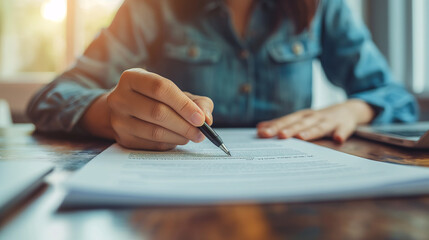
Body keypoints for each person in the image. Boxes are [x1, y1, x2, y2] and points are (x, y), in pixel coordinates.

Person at [27, 0, 418, 150]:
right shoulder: (152, 6)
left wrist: (354, 110)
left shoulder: (322, 7)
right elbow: (50, 98)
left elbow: (396, 97)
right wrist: (107, 112)